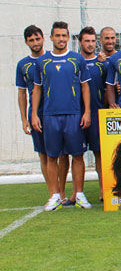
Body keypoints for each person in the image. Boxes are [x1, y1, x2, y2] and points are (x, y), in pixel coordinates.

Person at [31, 21, 92, 211]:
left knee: (78, 155)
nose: (61, 39)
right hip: (50, 115)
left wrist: (87, 112)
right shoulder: (42, 62)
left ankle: (79, 194)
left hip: (73, 114)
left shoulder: (77, 60)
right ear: (51, 38)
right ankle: (55, 196)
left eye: (64, 35)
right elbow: (37, 90)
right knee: (52, 157)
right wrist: (34, 114)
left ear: (68, 37)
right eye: (57, 36)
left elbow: (85, 87)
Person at [16, 25, 69, 202]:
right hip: (37, 114)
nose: (35, 43)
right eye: (31, 40)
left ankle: (62, 192)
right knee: (44, 154)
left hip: (56, 111)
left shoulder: (52, 58)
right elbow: (22, 92)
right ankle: (52, 193)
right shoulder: (23, 64)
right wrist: (25, 118)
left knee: (62, 153)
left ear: (44, 38)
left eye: (37, 39)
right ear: (26, 42)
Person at [78, 26, 107, 201]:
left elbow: (109, 87)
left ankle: (104, 190)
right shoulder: (74, 62)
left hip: (97, 114)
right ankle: (75, 193)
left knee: (99, 154)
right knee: (76, 155)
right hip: (76, 114)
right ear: (80, 42)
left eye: (92, 41)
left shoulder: (102, 63)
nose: (90, 44)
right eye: (86, 41)